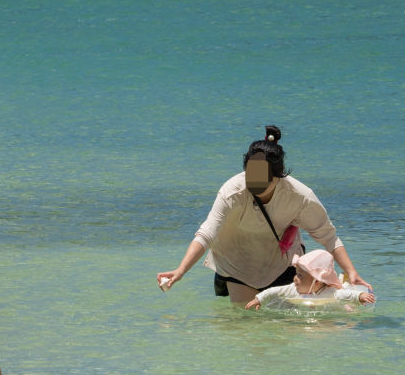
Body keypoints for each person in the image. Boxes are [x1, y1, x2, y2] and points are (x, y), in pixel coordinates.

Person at [157, 125, 372, 306]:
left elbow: (328, 236)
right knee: (247, 323)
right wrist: (181, 270)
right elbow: (207, 233)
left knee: (283, 330)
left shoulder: (299, 196)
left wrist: (351, 271)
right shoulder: (232, 191)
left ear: (278, 176)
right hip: (236, 263)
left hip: (280, 265)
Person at [245, 249, 375, 309]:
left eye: (300, 276)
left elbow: (346, 295)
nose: (295, 279)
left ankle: (343, 280)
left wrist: (361, 296)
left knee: (346, 310)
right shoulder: (292, 289)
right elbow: (274, 291)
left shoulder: (330, 293)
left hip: (331, 305)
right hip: (307, 306)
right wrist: (259, 299)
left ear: (317, 281)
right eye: (296, 274)